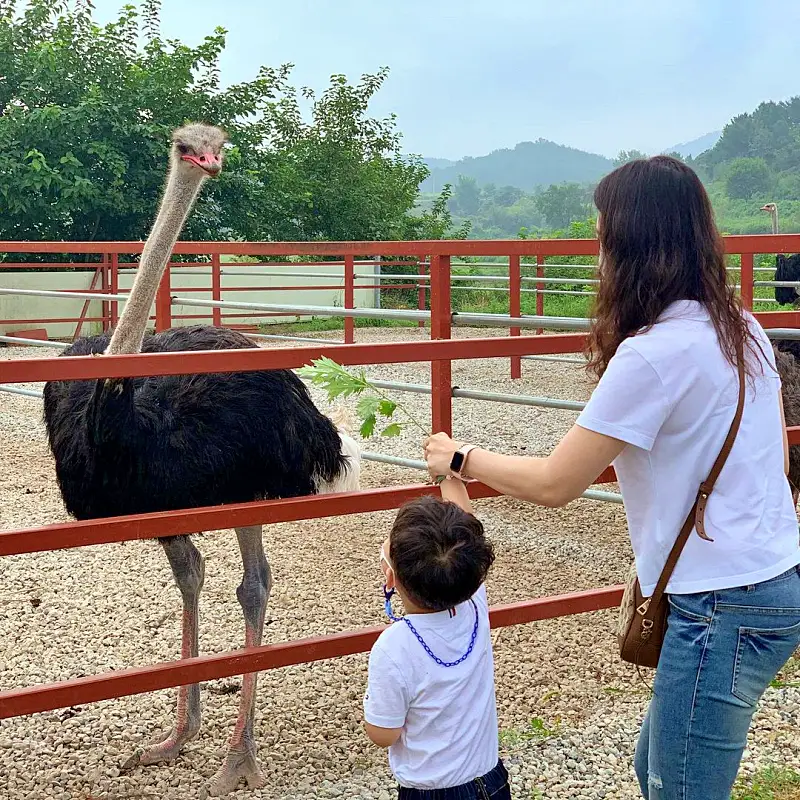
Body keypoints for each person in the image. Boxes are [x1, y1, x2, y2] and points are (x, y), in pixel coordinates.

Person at [423, 156, 800, 800]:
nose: (596, 251)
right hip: (770, 579)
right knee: (653, 762)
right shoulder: (743, 329)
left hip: (720, 603)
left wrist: (459, 459)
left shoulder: (654, 353)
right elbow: (776, 463)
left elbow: (555, 482)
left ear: (629, 246)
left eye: (602, 234)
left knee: (678, 787)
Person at [362, 476, 511, 799]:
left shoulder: (393, 647)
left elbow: (383, 733)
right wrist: (448, 471)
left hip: (431, 792)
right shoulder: (473, 604)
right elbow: (465, 531)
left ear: (390, 575)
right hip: (490, 780)